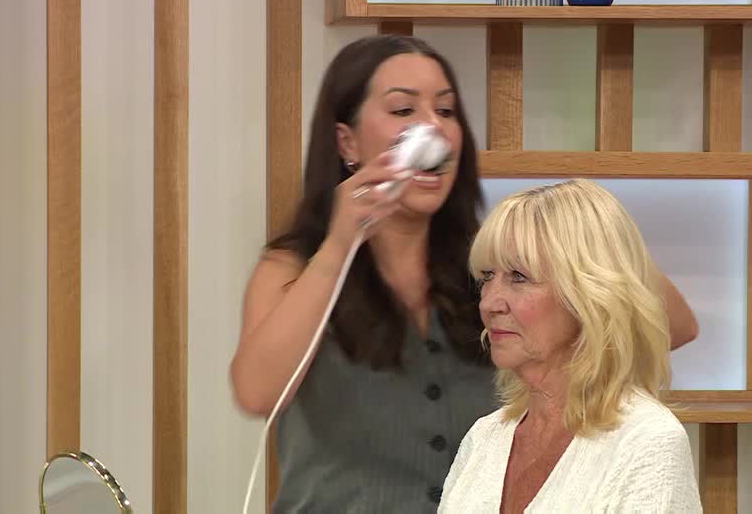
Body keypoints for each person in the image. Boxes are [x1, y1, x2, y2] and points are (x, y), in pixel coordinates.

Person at [230, 35, 699, 513]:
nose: (430, 129)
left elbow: (670, 325)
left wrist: (570, 231)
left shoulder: (489, 271)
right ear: (347, 140)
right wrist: (339, 244)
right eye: (403, 111)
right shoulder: (294, 268)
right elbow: (258, 392)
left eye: (447, 112)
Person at [438, 179, 702, 513]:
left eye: (519, 276)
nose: (489, 303)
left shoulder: (648, 441)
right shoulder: (485, 437)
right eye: (487, 276)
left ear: (588, 296)